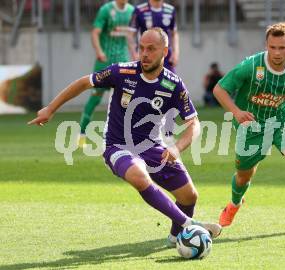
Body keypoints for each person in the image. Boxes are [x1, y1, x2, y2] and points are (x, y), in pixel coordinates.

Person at [28, 28, 222, 247]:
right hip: (117, 146)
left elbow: (193, 124)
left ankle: (176, 237)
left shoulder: (173, 84)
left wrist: (177, 148)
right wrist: (50, 109)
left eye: (151, 49)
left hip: (152, 147)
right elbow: (84, 82)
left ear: (165, 51)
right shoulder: (122, 72)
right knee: (140, 178)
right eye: (141, 48)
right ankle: (190, 224)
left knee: (189, 196)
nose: (144, 54)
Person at [213, 22, 285, 233]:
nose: (277, 52)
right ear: (266, 45)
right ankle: (234, 205)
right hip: (252, 125)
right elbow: (219, 89)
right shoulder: (251, 66)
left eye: (282, 47)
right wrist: (237, 112)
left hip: (281, 121)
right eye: (273, 47)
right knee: (243, 175)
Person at [78, 0, 134, 147]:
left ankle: (123, 137)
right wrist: (99, 51)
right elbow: (95, 33)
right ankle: (82, 135)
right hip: (105, 62)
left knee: (126, 100)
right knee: (95, 99)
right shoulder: (106, 10)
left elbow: (130, 36)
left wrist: (134, 54)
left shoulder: (131, 11)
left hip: (123, 62)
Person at [129, 0, 179, 73]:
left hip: (166, 57)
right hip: (147, 56)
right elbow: (131, 34)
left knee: (169, 83)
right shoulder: (139, 10)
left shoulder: (170, 10)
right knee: (146, 83)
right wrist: (134, 54)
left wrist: (176, 53)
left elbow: (174, 33)